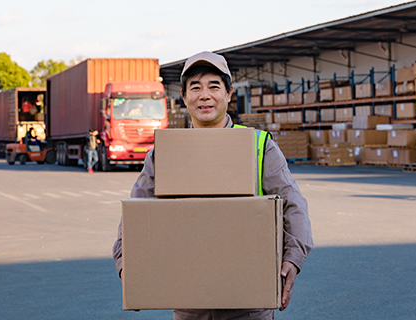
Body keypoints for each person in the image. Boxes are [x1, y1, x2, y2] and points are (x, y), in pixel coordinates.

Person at [112, 51, 313, 319]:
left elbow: (293, 205)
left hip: (248, 302)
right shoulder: (166, 153)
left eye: (214, 86)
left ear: (229, 93)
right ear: (183, 97)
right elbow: (135, 214)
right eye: (195, 88)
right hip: (189, 302)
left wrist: (292, 258)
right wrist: (127, 265)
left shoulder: (259, 145)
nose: (204, 95)